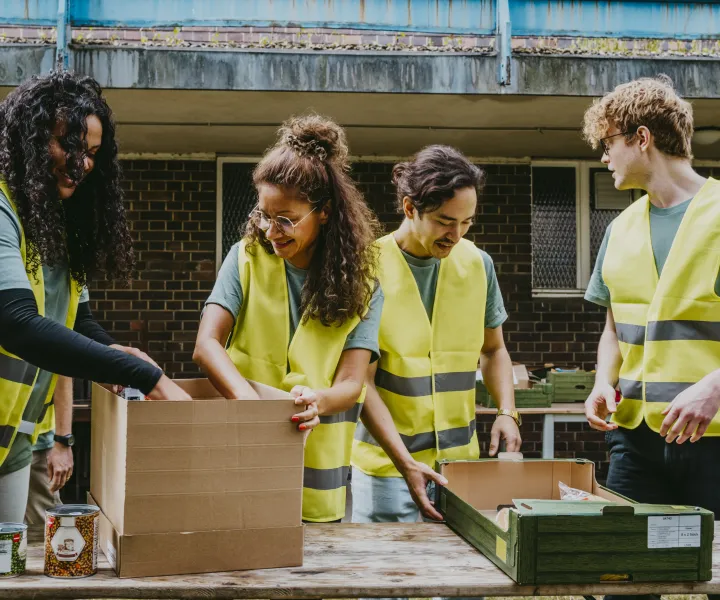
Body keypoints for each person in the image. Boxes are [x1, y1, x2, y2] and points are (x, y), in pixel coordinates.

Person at [0, 70, 190, 522]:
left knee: (7, 574)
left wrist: (113, 352)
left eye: (91, 153)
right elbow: (16, 321)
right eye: (68, 144)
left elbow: (76, 320)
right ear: (29, 139)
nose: (81, 162)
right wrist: (147, 376)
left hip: (13, 445)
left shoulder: (55, 227)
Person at [194, 114, 383, 523]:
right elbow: (206, 345)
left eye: (286, 219)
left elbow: (353, 382)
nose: (271, 230)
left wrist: (319, 402)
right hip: (244, 457)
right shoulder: (244, 258)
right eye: (264, 214)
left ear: (325, 213)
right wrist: (251, 409)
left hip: (319, 476)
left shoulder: (363, 285)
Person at [582, 76, 720, 600]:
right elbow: (615, 325)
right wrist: (602, 381)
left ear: (642, 138)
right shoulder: (619, 228)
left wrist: (715, 386)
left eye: (608, 143)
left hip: (715, 442)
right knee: (617, 576)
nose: (604, 157)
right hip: (636, 439)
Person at [352, 145, 522, 525]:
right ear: (410, 208)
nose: (456, 234)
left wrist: (507, 412)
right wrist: (404, 462)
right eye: (446, 221)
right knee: (387, 585)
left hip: (461, 467)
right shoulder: (366, 270)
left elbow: (494, 351)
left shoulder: (479, 264)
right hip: (387, 470)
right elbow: (360, 382)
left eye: (466, 223)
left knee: (466, 581)